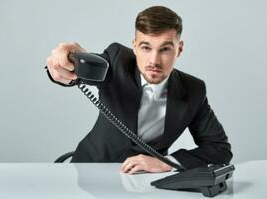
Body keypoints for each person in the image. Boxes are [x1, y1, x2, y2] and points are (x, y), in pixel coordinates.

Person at [46, 6, 232, 174]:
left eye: (165, 49)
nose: (154, 61)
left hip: (145, 182)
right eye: (145, 47)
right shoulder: (116, 60)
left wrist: (167, 162)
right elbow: (74, 72)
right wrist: (64, 64)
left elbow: (219, 148)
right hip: (91, 170)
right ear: (134, 46)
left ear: (179, 49)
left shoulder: (194, 89)